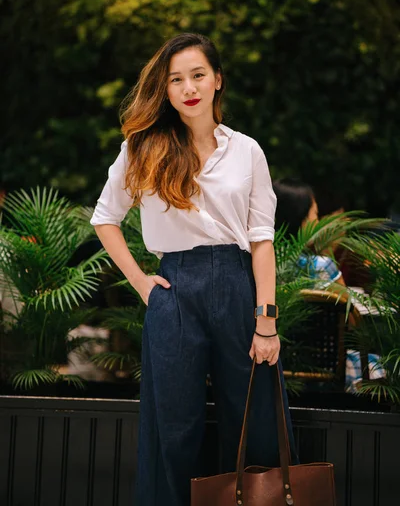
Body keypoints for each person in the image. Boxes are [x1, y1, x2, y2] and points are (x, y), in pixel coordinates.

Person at [90, 33, 297, 506]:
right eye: (176, 79)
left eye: (198, 75)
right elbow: (105, 218)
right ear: (165, 90)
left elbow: (262, 240)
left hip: (237, 285)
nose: (188, 87)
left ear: (217, 80)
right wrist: (143, 284)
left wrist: (266, 319)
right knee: (173, 428)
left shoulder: (246, 151)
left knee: (253, 420)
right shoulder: (142, 148)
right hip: (174, 289)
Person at [273, 178, 345, 287]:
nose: (317, 222)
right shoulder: (320, 267)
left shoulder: (254, 262)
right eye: (315, 214)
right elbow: (347, 302)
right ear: (301, 219)